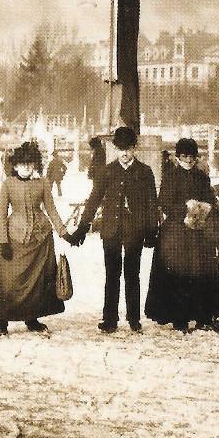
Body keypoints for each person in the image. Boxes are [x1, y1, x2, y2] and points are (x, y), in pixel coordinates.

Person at [69, 126, 159, 333]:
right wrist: (82, 228)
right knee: (112, 274)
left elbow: (151, 203)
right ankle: (109, 319)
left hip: (134, 231)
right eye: (120, 149)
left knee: (132, 274)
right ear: (115, 149)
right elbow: (93, 201)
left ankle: (134, 318)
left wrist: (151, 231)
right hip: (110, 231)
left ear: (135, 148)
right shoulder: (107, 171)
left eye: (128, 149)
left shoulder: (145, 172)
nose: (125, 153)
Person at [0, 143, 73, 336]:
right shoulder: (8, 184)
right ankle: (1, 320)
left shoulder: (42, 183)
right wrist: (3, 241)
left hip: (40, 239)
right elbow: (2, 214)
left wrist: (64, 232)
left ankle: (32, 317)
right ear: (15, 165)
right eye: (22, 163)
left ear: (35, 164)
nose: (26, 167)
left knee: (37, 283)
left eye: (30, 163)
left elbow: (51, 209)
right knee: (8, 281)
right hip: (14, 239)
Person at [145, 138, 219, 332]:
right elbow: (163, 203)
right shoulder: (171, 176)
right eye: (185, 157)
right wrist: (184, 208)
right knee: (178, 273)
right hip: (177, 231)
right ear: (178, 157)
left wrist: (205, 206)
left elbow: (210, 199)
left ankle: (204, 314)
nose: (189, 160)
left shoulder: (201, 176)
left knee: (203, 272)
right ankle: (178, 315)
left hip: (199, 231)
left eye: (192, 157)